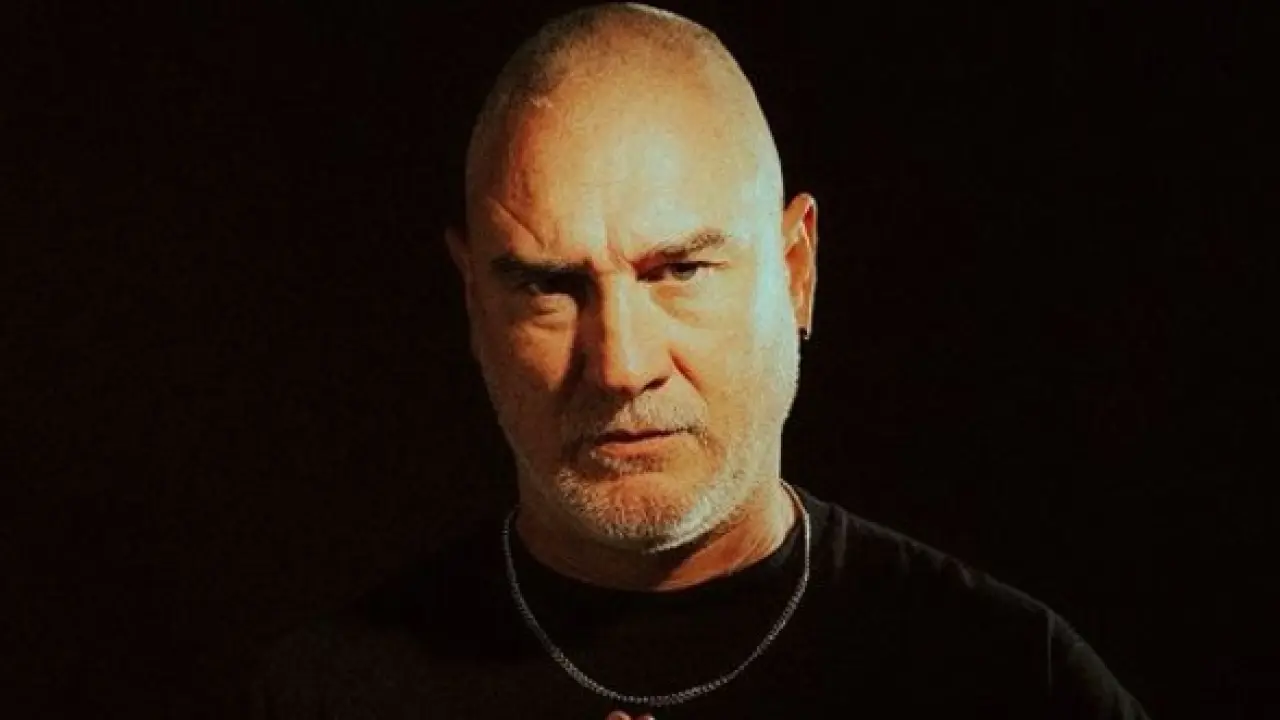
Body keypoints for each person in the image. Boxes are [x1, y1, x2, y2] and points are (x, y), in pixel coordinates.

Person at [247, 4, 1151, 718]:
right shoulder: (323, 698)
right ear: (475, 299)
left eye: (678, 271)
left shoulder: (1012, 681)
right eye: (551, 287)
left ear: (795, 273)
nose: (620, 365)